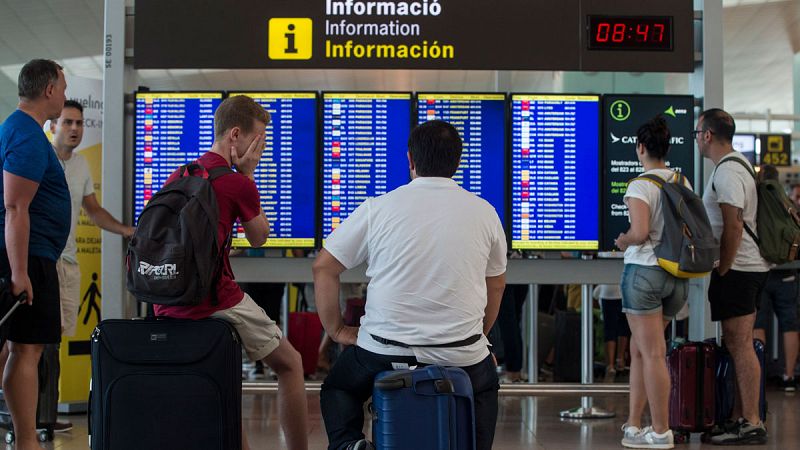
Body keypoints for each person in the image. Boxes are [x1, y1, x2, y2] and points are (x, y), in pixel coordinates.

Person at [313, 120, 507, 450]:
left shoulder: (378, 208)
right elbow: (497, 286)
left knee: (338, 388)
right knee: (485, 388)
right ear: (457, 163)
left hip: (383, 352)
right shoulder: (485, 213)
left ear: (410, 160)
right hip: (461, 357)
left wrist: (336, 331)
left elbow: (324, 267)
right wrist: (478, 337)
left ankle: (350, 445)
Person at [154, 95, 308, 450]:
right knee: (291, 364)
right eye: (260, 142)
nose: (261, 151)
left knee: (221, 381)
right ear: (236, 136)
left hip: (167, 302)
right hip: (212, 298)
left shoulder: (180, 173)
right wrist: (248, 174)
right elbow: (259, 236)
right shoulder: (238, 182)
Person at [0, 59, 70, 450]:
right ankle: (27, 440)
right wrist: (20, 271)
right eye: (61, 86)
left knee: (22, 348)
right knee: (25, 349)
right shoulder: (25, 133)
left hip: (31, 255)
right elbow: (15, 207)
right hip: (28, 257)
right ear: (48, 91)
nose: (63, 94)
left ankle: (26, 438)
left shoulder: (22, 130)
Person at [614, 116, 691, 449]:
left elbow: (641, 232)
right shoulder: (680, 180)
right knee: (641, 349)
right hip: (675, 277)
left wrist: (623, 240)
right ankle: (633, 424)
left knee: (653, 352)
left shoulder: (640, 185)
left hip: (644, 274)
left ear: (641, 148)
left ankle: (660, 432)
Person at [697, 108, 770, 445]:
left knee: (740, 345)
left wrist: (723, 268)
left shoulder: (727, 173)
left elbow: (734, 225)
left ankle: (752, 421)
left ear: (708, 135)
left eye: (698, 133)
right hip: (746, 268)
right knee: (737, 343)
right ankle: (740, 417)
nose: (697, 139)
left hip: (739, 269)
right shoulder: (737, 165)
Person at [753, 164, 798, 392]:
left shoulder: (757, 199)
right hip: (787, 270)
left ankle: (758, 378)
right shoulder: (785, 201)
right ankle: (789, 377)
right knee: (789, 323)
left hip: (761, 270)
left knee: (757, 322)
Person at [593, 284, 630, 382]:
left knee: (609, 328)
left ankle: (610, 365)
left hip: (607, 292)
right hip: (625, 292)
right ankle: (620, 359)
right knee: (624, 327)